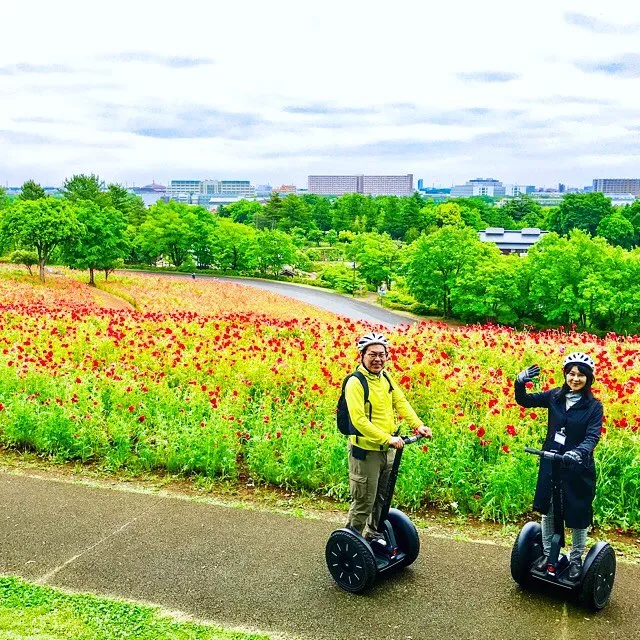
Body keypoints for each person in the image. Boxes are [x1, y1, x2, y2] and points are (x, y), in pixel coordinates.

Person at [515, 352, 603, 581]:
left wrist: (578, 452)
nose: (575, 378)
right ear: (565, 374)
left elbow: (592, 436)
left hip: (577, 467)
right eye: (571, 373)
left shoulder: (593, 406)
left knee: (577, 515)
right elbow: (524, 401)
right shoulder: (554, 396)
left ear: (588, 379)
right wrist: (519, 382)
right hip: (551, 462)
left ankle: (575, 560)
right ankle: (547, 553)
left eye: (581, 375)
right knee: (548, 510)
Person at [345, 331, 432, 548]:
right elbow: (358, 420)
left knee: (381, 498)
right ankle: (350, 542)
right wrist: (388, 438)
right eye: (372, 354)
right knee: (364, 501)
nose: (378, 359)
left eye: (382, 355)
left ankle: (372, 534)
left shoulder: (385, 377)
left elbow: (400, 401)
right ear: (362, 355)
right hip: (366, 452)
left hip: (387, 450)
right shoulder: (355, 382)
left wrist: (418, 425)